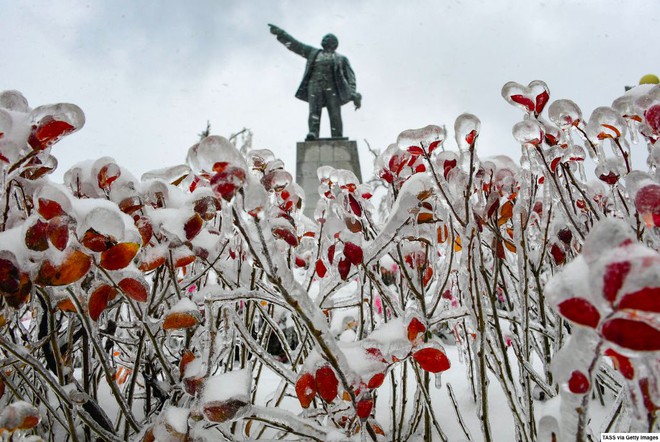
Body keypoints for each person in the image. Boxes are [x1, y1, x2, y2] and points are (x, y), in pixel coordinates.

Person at [269, 24, 361, 140]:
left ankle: (337, 135)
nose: (324, 39)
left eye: (327, 38)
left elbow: (351, 78)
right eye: (323, 38)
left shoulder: (342, 59)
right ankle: (313, 132)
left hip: (333, 88)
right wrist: (281, 34)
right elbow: (296, 46)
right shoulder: (313, 52)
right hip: (315, 85)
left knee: (335, 113)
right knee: (314, 112)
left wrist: (352, 93)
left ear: (334, 43)